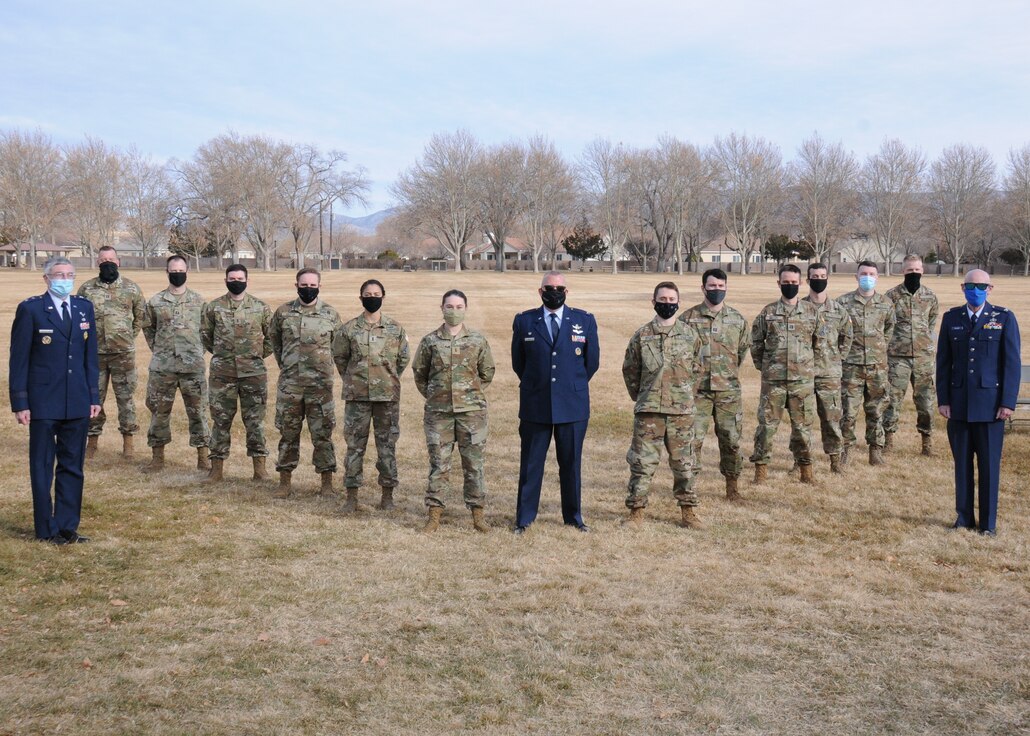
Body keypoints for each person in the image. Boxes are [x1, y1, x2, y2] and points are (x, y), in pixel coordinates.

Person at [9, 257, 100, 543]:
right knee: (42, 465)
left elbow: (90, 358)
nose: (65, 279)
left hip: (77, 401)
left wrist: (93, 396)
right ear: (46, 278)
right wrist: (21, 402)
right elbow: (19, 360)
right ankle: (45, 529)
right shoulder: (31, 309)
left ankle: (66, 526)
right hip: (43, 402)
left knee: (73, 465)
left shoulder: (84, 308)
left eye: (70, 274)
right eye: (59, 274)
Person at [511, 271, 599, 533]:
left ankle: (573, 517)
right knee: (531, 465)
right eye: (548, 287)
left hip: (572, 405)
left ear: (566, 292)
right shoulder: (525, 321)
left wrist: (570, 385)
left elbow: (590, 362)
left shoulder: (583, 321)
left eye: (559, 288)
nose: (554, 291)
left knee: (571, 465)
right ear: (540, 292)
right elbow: (519, 363)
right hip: (535, 403)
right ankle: (525, 519)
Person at [936, 269, 1020, 536]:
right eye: (971, 286)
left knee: (989, 467)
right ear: (963, 287)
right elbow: (943, 363)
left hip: (990, 408)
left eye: (981, 286)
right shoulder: (952, 319)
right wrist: (944, 400)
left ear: (990, 289)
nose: (976, 290)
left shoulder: (1004, 318)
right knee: (962, 466)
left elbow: (1011, 364)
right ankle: (963, 518)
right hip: (958, 406)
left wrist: (1007, 402)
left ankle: (988, 524)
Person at [411, 289, 495, 532]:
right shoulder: (430, 341)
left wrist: (470, 393)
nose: (454, 311)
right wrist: (437, 396)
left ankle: (478, 515)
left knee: (474, 464)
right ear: (442, 308)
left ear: (465, 309)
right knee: (439, 464)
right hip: (439, 414)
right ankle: (434, 515)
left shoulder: (477, 340)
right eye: (449, 306)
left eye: (459, 307)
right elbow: (420, 374)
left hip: (472, 414)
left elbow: (487, 372)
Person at [621, 282, 703, 528]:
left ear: (678, 303)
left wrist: (685, 394)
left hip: (681, 412)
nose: (667, 303)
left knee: (685, 463)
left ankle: (688, 512)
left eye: (671, 299)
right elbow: (630, 370)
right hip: (650, 411)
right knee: (642, 463)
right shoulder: (642, 335)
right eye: (662, 299)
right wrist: (645, 396)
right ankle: (636, 512)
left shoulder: (689, 335)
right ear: (653, 301)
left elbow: (697, 370)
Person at [333, 279, 410, 512]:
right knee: (355, 446)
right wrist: (354, 378)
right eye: (368, 293)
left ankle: (387, 496)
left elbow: (403, 359)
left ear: (383, 297)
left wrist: (386, 378)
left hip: (387, 397)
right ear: (360, 298)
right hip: (357, 396)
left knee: (386, 446)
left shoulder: (395, 329)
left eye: (376, 293)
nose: (372, 297)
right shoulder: (348, 329)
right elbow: (340, 358)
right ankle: (351, 496)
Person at [269, 268, 343, 498]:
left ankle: (326, 484)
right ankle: (284, 482)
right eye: (304, 284)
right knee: (288, 434)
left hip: (320, 387)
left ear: (319, 286)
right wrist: (290, 367)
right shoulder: (283, 313)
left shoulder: (330, 314)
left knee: (322, 435)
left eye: (312, 285)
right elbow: (276, 345)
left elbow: (339, 348)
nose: (308, 288)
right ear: (296, 285)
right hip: (290, 386)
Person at [679, 268, 750, 501]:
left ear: (726, 287)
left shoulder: (737, 320)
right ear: (703, 288)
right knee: (692, 441)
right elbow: (681, 354)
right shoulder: (687, 319)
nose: (716, 290)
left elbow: (740, 352)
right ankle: (690, 489)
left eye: (721, 286)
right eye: (712, 286)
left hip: (728, 392)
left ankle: (732, 487)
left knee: (731, 440)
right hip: (697, 393)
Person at [749, 265, 822, 484]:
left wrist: (809, 368)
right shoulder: (768, 312)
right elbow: (755, 343)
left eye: (793, 282)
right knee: (766, 427)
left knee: (802, 427)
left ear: (801, 283)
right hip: (774, 382)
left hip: (802, 381)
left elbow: (819, 345)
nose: (790, 286)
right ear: (778, 283)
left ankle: (805, 470)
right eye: (785, 282)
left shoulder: (811, 313)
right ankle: (761, 470)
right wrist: (767, 367)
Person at [200, 264, 273, 482]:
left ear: (247, 280)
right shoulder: (213, 308)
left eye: (240, 278)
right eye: (232, 278)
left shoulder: (261, 308)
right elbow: (206, 337)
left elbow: (271, 339)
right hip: (223, 374)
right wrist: (225, 356)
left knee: (255, 422)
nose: (236, 281)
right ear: (225, 280)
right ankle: (217, 469)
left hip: (253, 374)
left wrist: (254, 356)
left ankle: (259, 469)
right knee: (220, 421)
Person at [142, 255, 210, 472]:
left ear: (187, 271)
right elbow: (149, 329)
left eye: (181, 270)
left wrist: (198, 351)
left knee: (198, 412)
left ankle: (203, 457)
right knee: (158, 412)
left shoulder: (200, 302)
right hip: (163, 368)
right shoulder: (155, 302)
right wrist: (161, 351)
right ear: (167, 272)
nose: (177, 274)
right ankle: (157, 458)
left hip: (192, 368)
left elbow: (208, 332)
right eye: (173, 270)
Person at [77, 245, 145, 459]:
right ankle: (92, 442)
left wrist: (126, 337)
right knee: (93, 399)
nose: (108, 262)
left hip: (122, 354)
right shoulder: (87, 289)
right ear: (98, 263)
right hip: (93, 355)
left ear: (119, 262)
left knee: (125, 399)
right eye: (103, 259)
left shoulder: (131, 288)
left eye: (111, 259)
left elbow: (140, 317)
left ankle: (128, 443)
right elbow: (78, 318)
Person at [837, 261, 895, 466]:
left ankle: (875, 451)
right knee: (848, 411)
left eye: (871, 274)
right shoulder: (843, 303)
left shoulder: (886, 303)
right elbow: (838, 333)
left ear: (877, 277)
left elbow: (889, 330)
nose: (867, 277)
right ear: (856, 276)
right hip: (851, 367)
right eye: (863, 273)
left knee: (876, 410)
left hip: (877, 367)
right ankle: (845, 450)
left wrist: (877, 350)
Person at [884, 254, 938, 456]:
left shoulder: (930, 296)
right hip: (898, 358)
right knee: (892, 400)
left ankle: (927, 443)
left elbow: (931, 322)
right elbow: (886, 324)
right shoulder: (891, 296)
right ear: (902, 271)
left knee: (925, 402)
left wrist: (922, 342)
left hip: (923, 358)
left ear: (922, 271)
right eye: (909, 271)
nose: (913, 274)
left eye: (917, 270)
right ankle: (887, 441)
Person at [802, 263, 853, 474]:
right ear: (807, 280)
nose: (818, 279)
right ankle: (801, 461)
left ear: (827, 279)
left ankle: (835, 460)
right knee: (802, 420)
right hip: (802, 373)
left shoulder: (838, 310)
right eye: (814, 276)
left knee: (832, 419)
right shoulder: (799, 307)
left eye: (822, 276)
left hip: (829, 373)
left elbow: (847, 336)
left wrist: (836, 358)